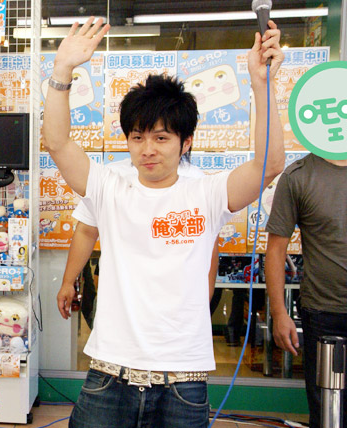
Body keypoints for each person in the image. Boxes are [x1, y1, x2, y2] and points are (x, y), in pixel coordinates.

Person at [42, 17, 283, 427]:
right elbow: (58, 143)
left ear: (185, 142)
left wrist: (261, 85)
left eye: (161, 137)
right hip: (110, 374)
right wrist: (62, 71)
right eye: (137, 137)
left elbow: (269, 164)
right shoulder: (109, 186)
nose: (147, 149)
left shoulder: (207, 193)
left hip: (183, 381)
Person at [57, 159, 220, 322]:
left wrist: (205, 294)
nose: (149, 149)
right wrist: (68, 281)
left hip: (176, 300)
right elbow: (86, 231)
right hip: (120, 298)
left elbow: (209, 242)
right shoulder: (111, 176)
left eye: (161, 142)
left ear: (184, 145)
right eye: (138, 142)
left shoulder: (194, 178)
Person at [265, 153, 347, 428]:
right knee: (327, 411)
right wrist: (279, 313)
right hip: (324, 312)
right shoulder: (298, 175)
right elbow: (276, 250)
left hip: (323, 311)